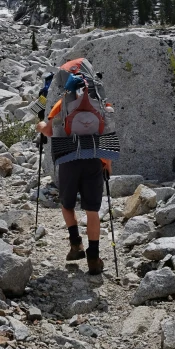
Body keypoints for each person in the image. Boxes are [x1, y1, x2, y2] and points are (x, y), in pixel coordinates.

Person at [36, 62, 113, 275]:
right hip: (94, 159)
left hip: (69, 160)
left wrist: (39, 126)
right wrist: (107, 164)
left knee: (67, 204)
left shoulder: (63, 103)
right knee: (92, 210)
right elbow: (107, 133)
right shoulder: (100, 102)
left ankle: (76, 244)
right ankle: (94, 258)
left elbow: (50, 131)